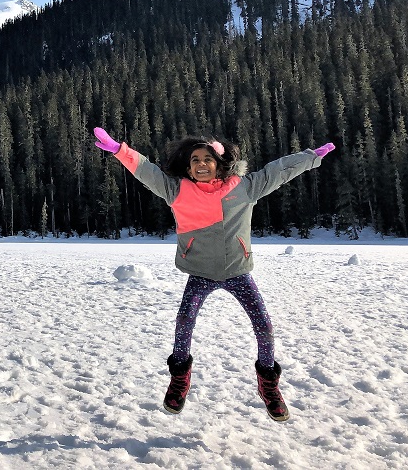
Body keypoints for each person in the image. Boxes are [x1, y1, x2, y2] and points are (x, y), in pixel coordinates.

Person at [93, 127, 335, 422]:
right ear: (188, 167)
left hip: (238, 272)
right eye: (195, 160)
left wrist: (310, 157)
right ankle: (180, 378)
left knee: (265, 326)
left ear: (220, 163)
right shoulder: (178, 190)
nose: (200, 164)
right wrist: (120, 150)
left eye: (207, 159)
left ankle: (268, 384)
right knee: (184, 322)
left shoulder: (243, 188)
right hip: (200, 273)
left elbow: (277, 171)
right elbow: (147, 171)